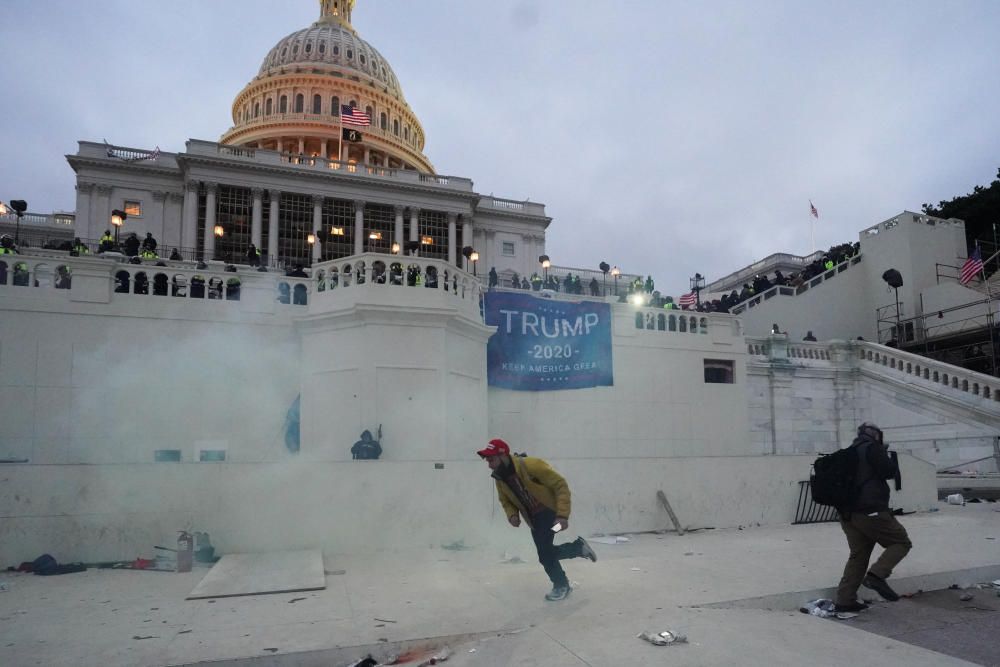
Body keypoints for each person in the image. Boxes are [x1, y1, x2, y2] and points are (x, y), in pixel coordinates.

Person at [478, 438, 597, 602]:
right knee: (545, 552)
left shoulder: (531, 465)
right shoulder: (500, 478)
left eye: (491, 459)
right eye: (487, 460)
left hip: (551, 515)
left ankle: (561, 584)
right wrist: (512, 514)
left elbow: (560, 485)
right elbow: (505, 500)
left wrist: (562, 516)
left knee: (544, 552)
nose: (489, 464)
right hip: (534, 520)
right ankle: (578, 548)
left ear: (503, 455)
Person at [833, 423, 911, 613]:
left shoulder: (848, 452)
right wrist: (884, 454)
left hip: (847, 515)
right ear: (876, 435)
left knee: (858, 555)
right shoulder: (873, 449)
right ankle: (876, 575)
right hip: (871, 511)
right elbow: (889, 472)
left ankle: (845, 600)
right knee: (901, 542)